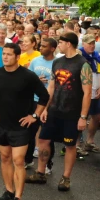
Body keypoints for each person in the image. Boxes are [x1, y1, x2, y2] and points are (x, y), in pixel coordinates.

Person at [0, 43, 49, 200]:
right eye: (4, 54)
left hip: (21, 126)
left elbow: (44, 96)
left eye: (9, 54)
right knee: (5, 158)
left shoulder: (28, 76)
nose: (5, 57)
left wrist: (34, 116)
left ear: (17, 57)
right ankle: (9, 191)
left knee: (18, 161)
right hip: (2, 124)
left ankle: (18, 198)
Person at [28, 32, 92, 191]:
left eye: (61, 42)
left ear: (68, 44)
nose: (59, 45)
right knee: (43, 140)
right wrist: (44, 108)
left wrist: (83, 117)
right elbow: (51, 87)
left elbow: (88, 93)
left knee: (70, 145)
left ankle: (66, 178)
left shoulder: (83, 64)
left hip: (72, 112)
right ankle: (40, 172)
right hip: (54, 110)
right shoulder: (57, 62)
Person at [26, 38, 56, 171]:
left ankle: (48, 163)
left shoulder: (57, 63)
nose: (41, 48)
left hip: (49, 103)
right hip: (33, 100)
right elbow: (28, 79)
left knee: (47, 134)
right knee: (30, 130)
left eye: (44, 46)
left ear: (52, 49)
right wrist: (36, 80)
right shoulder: (35, 61)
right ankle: (28, 160)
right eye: (41, 46)